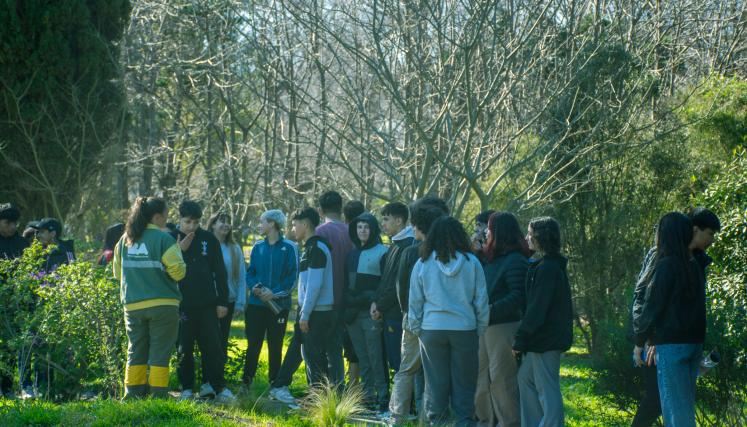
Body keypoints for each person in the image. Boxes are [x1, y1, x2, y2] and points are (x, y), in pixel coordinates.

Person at [408, 216, 489, 427]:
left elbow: (415, 300)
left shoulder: (422, 263)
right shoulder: (472, 262)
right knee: (464, 385)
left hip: (432, 329)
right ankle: (464, 422)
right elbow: (481, 299)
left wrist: (417, 327)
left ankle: (438, 423)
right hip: (464, 328)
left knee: (435, 384)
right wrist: (479, 327)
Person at [632, 212, 710, 427]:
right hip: (693, 344)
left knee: (675, 413)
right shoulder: (695, 264)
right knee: (684, 408)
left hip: (671, 345)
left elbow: (651, 307)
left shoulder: (666, 264)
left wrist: (640, 341)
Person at [112, 196, 186, 399]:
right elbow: (178, 273)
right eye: (166, 215)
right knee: (160, 351)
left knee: (135, 350)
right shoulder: (165, 240)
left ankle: (132, 394)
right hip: (163, 305)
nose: (167, 218)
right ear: (157, 217)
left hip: (133, 305)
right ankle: (158, 395)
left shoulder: (124, 240)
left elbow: (118, 274)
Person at [386, 197, 448, 425]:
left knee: (407, 370)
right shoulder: (443, 252)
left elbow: (401, 289)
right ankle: (425, 418)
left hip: (412, 318)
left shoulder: (411, 252)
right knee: (431, 373)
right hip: (434, 320)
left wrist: (408, 314)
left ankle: (397, 417)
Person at [171, 201, 234, 403]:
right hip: (182, 305)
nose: (191, 226)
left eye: (196, 222)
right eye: (187, 222)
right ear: (179, 219)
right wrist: (179, 249)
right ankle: (187, 388)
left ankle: (215, 385)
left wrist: (222, 301)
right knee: (184, 347)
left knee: (212, 346)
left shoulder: (208, 239)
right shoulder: (170, 239)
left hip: (208, 303)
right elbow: (163, 269)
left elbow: (220, 273)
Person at [513, 216, 573, 427]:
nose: (527, 237)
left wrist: (519, 340)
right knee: (525, 379)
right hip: (542, 340)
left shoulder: (548, 268)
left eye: (530, 233)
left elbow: (537, 309)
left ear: (541, 237)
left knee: (548, 390)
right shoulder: (548, 265)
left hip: (546, 340)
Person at [474, 212, 529, 427]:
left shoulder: (516, 260)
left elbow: (518, 296)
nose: (486, 232)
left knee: (501, 380)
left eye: (489, 228)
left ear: (499, 231)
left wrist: (489, 311)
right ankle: (485, 421)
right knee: (481, 379)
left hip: (504, 327)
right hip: (485, 327)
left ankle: (509, 423)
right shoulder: (491, 259)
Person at [243, 210, 297, 389]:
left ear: (272, 223)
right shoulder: (258, 247)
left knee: (275, 345)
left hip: (279, 306)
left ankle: (275, 384)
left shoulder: (289, 248)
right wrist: (257, 288)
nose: (260, 225)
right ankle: (246, 383)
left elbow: (291, 278)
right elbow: (250, 274)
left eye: (262, 222)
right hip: (256, 305)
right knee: (253, 344)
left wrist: (273, 293)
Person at [344, 213, 389, 411]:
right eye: (359, 227)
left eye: (366, 227)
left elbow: (385, 283)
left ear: (373, 230)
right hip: (352, 314)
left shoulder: (383, 252)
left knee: (376, 356)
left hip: (372, 313)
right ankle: (367, 395)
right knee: (362, 356)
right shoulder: (351, 254)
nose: (362, 230)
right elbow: (347, 284)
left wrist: (374, 302)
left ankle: (383, 396)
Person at [293, 207, 336, 387]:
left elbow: (314, 285)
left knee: (315, 358)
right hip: (310, 311)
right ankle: (316, 397)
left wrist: (305, 314)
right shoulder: (309, 247)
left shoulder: (317, 248)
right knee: (309, 356)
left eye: (295, 225)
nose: (293, 229)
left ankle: (321, 401)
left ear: (305, 224)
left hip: (317, 313)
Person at [315, 191, 354, 385]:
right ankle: (339, 387)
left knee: (317, 348)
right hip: (346, 298)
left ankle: (321, 389)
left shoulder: (320, 232)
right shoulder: (351, 231)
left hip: (324, 299)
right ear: (341, 208)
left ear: (320, 210)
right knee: (336, 348)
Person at [372, 202, 415, 377]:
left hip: (398, 315)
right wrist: (376, 303)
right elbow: (385, 281)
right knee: (395, 363)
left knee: (401, 364)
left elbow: (399, 284)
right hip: (387, 313)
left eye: (386, 219)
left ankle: (405, 405)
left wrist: (380, 306)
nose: (383, 224)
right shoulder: (394, 245)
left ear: (399, 221)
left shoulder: (408, 246)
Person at [207, 213, 247, 368]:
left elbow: (242, 277)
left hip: (227, 302)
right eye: (222, 221)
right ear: (212, 225)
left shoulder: (234, 248)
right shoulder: (205, 245)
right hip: (207, 302)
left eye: (228, 222)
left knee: (222, 340)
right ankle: (207, 380)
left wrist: (240, 302)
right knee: (209, 341)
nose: (226, 225)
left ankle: (219, 379)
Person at [0, 203, 29, 398]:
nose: (12, 227)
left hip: (14, 302)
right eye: (7, 222)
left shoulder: (22, 244)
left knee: (11, 345)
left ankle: (7, 386)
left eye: (15, 223)